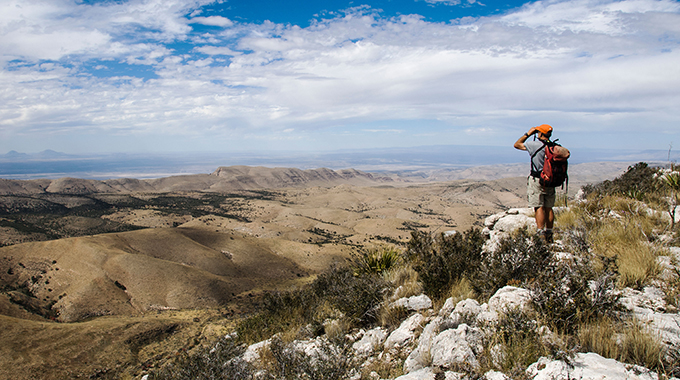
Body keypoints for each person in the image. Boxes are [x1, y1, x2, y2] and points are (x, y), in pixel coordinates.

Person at [513, 124, 556, 242]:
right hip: (551, 181)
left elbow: (517, 145)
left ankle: (541, 234)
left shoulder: (534, 145)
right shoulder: (554, 146)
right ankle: (550, 233)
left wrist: (528, 133)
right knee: (549, 207)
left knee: (539, 207)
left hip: (538, 179)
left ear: (540, 133)